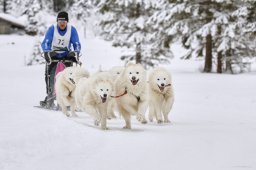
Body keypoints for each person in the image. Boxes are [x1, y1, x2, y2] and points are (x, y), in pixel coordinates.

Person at [40, 11, 81, 108]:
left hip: (66, 56)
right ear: (57, 21)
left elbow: (76, 43)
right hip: (53, 56)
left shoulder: (72, 30)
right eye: (60, 21)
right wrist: (46, 52)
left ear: (67, 22)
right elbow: (46, 42)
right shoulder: (52, 29)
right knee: (50, 75)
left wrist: (76, 52)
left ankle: (68, 98)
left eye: (64, 21)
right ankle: (50, 96)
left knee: (68, 78)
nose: (62, 23)